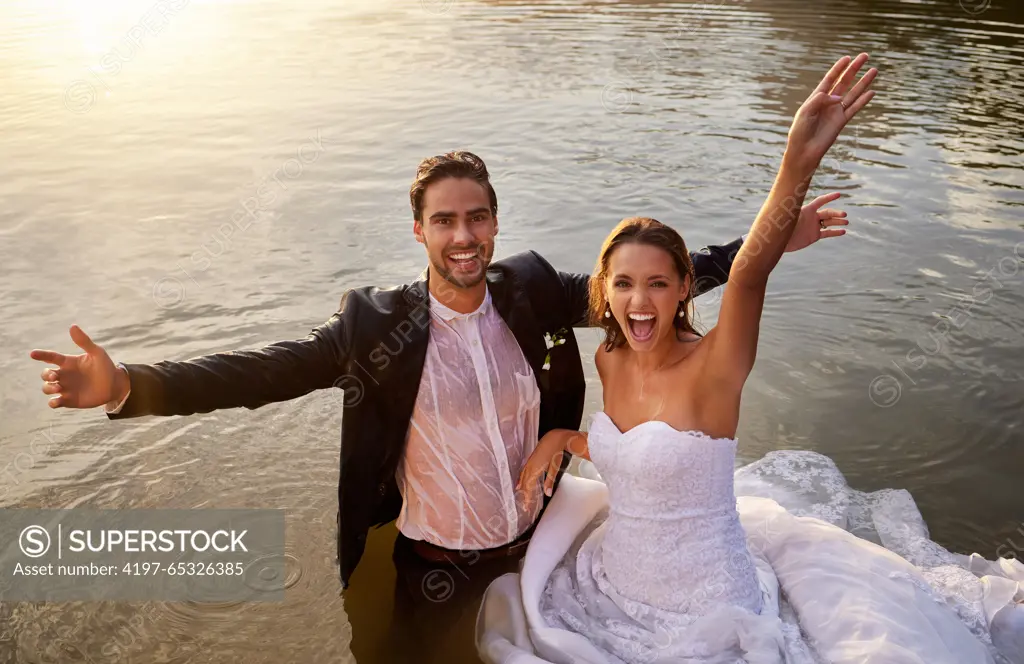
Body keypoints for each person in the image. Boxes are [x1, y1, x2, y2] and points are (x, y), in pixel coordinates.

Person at [30, 151, 849, 661]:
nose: (464, 236)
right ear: (419, 230)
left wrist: (771, 243)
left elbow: (650, 285)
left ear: (495, 224)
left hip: (539, 549)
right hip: (436, 567)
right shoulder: (373, 325)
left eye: (478, 218)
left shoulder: (529, 292)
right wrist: (129, 384)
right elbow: (260, 373)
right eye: (445, 221)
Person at [478, 53, 1024, 664]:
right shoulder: (610, 358)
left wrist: (798, 160)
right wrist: (562, 438)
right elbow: (631, 453)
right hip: (610, 586)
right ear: (605, 289)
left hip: (710, 613)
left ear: (685, 287)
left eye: (658, 283)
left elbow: (748, 274)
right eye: (625, 283)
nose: (639, 299)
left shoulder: (717, 367)